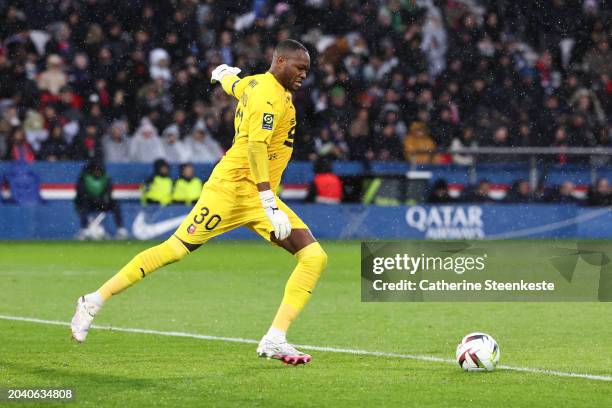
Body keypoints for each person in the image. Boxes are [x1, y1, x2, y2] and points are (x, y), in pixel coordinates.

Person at [71, 40, 327, 366]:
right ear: (279, 61)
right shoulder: (267, 95)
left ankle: (275, 338)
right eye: (299, 67)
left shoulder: (256, 83)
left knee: (313, 257)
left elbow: (236, 85)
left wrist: (221, 74)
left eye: (307, 69)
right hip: (230, 191)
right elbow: (256, 148)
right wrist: (270, 201)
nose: (304, 74)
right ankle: (93, 301)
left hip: (257, 196)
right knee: (175, 250)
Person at [74, 160, 128, 240]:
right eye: (96, 170)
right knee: (83, 204)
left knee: (115, 204)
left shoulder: (106, 178)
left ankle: (121, 230)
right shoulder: (84, 178)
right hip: (88, 203)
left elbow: (109, 192)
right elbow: (81, 193)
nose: (97, 172)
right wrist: (94, 198)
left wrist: (104, 199)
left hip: (102, 203)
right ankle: (84, 230)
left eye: (99, 170)